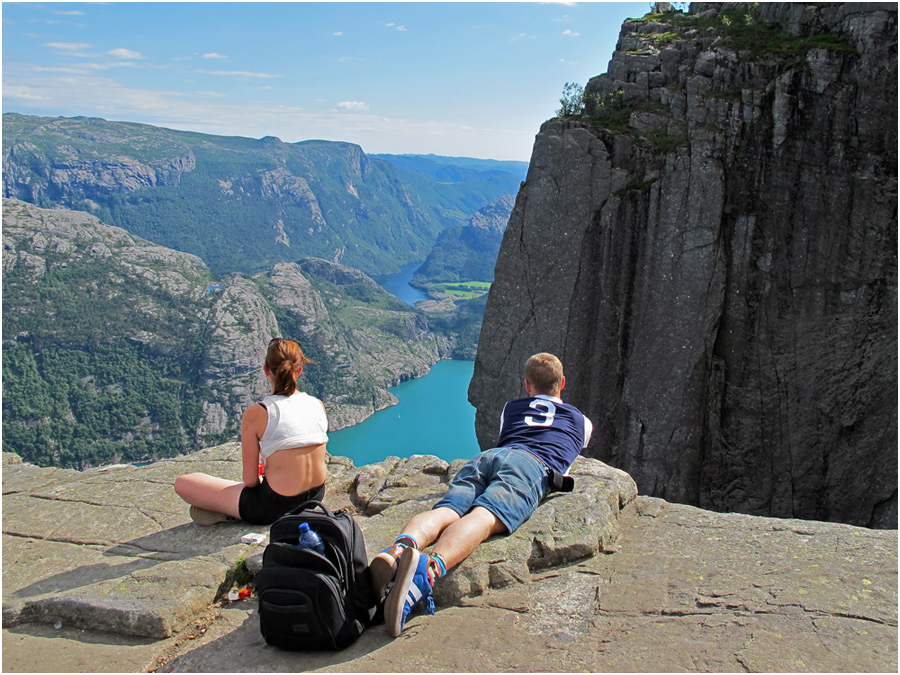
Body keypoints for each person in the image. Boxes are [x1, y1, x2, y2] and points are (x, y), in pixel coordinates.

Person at [370, 352, 593, 637]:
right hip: (532, 465)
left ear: (527, 385)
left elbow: (509, 435)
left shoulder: (511, 408)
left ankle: (397, 551)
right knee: (486, 515)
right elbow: (578, 443)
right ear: (562, 383)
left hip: (489, 457)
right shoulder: (580, 420)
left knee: (448, 509)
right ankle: (426, 572)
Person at [174, 337, 329, 526]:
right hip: (315, 498)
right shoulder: (317, 404)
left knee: (184, 483)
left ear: (266, 370)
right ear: (299, 371)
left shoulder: (258, 413)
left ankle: (229, 513)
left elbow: (250, 481)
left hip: (273, 507)